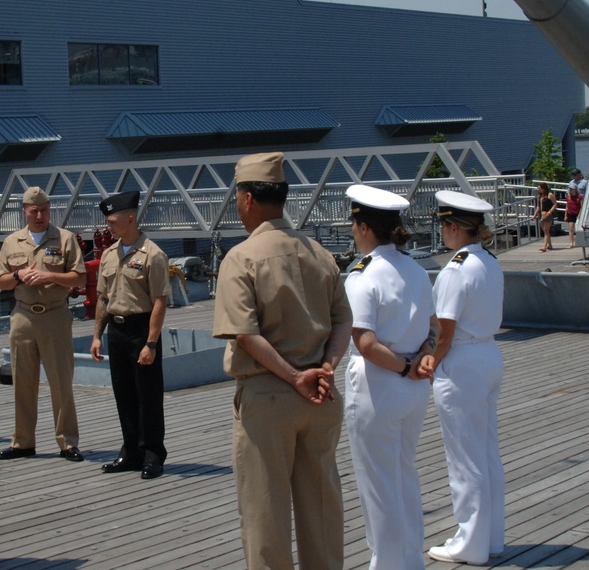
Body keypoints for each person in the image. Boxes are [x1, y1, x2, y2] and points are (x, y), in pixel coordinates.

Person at [212, 152, 352, 570]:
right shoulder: (320, 253)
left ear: (248, 199)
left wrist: (294, 377)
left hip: (270, 397)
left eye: (237, 196)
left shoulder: (241, 257)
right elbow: (343, 319)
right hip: (322, 394)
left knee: (265, 513)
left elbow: (245, 333)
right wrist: (325, 368)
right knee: (322, 507)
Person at [343, 183, 438, 570]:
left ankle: (386, 564)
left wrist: (403, 368)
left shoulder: (362, 275)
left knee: (378, 486)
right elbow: (433, 327)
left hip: (378, 388)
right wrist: (424, 359)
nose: (352, 231)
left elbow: (365, 342)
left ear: (364, 227)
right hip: (414, 390)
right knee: (404, 475)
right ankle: (410, 561)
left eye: (354, 225)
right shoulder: (416, 269)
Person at [424, 190, 505, 565]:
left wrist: (430, 365)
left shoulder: (456, 268)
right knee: (486, 453)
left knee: (464, 459)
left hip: (462, 363)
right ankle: (490, 539)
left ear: (453, 226)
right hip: (488, 355)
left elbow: (445, 331)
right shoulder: (490, 262)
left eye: (443, 225)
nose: (441, 231)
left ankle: (469, 544)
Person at [0, 186, 86, 462]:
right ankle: (23, 441)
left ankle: (67, 441)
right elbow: (1, 281)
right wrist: (20, 275)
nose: (39, 215)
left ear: (49, 210)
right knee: (23, 380)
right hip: (22, 316)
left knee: (61, 381)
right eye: (33, 210)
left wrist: (49, 277)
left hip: (55, 314)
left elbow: (79, 278)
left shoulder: (65, 239)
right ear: (24, 211)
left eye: (44, 209)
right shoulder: (11, 242)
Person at [90, 191, 170, 480]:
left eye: (113, 221)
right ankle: (131, 451)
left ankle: (152, 454)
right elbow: (102, 298)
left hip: (141, 329)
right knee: (123, 394)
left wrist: (151, 342)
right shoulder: (109, 254)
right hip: (118, 330)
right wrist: (97, 335)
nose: (108, 226)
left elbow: (160, 301)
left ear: (131, 218)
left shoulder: (153, 255)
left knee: (147, 395)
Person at [531, 182, 558, 252]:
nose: (539, 190)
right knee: (545, 230)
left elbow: (555, 204)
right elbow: (538, 207)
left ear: (544, 188)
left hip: (547, 214)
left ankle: (544, 246)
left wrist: (550, 211)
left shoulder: (550, 195)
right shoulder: (540, 196)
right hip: (541, 214)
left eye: (540, 188)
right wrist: (534, 215)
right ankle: (550, 245)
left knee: (546, 230)